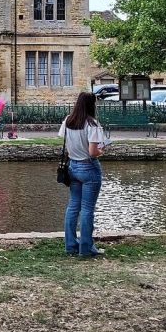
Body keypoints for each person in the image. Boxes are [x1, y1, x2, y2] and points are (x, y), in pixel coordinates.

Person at [58, 92, 106, 257]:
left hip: (73, 166)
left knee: (73, 206)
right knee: (87, 209)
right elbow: (92, 151)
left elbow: (66, 143)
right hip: (89, 167)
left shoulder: (68, 120)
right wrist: (102, 151)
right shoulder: (92, 124)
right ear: (92, 105)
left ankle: (70, 245)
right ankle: (86, 248)